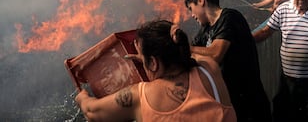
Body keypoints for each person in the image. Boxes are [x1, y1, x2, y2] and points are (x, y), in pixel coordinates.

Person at [75, 19, 237, 122]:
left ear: (153, 63)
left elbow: (91, 111)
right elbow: (189, 54)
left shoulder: (140, 96)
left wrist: (82, 97)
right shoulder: (209, 69)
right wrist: (149, 58)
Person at [185, 0, 272, 122]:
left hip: (249, 104)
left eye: (191, 8)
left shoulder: (230, 17)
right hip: (231, 104)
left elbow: (215, 54)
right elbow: (191, 50)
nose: (192, 15)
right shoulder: (206, 29)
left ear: (201, 1)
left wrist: (185, 49)